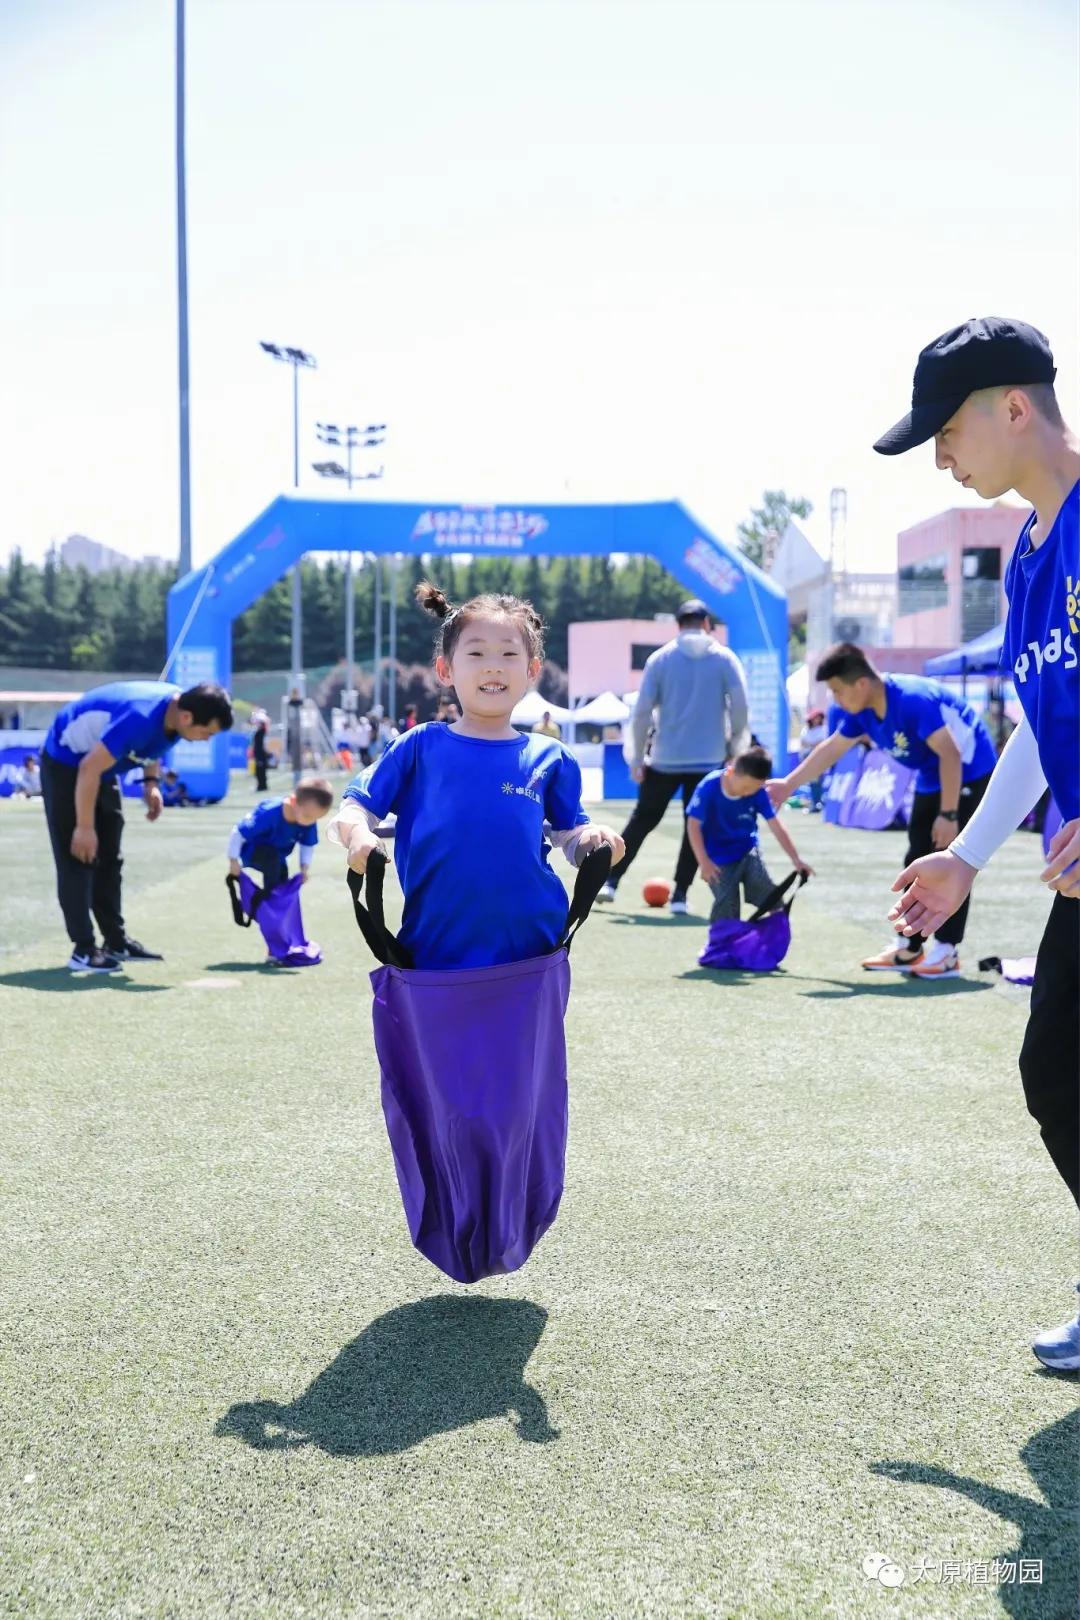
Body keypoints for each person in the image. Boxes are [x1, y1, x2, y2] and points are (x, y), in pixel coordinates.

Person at [877, 316, 1078, 1368]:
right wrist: (968, 857)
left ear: (1014, 406)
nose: (941, 457)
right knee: (1058, 1077)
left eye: (946, 431)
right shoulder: (1031, 559)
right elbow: (1043, 734)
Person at [327, 582, 625, 969]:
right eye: (476, 652)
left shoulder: (551, 756)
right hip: (433, 953)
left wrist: (594, 843)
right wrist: (358, 835)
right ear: (445, 669)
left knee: (526, 1034)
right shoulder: (419, 746)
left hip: (535, 954)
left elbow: (570, 834)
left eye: (508, 654)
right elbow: (355, 810)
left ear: (532, 670)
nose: (493, 665)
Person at [768, 643, 996, 978]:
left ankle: (947, 952)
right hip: (933, 775)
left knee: (952, 859)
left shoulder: (912, 699)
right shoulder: (861, 711)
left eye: (836, 691)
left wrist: (948, 815)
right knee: (916, 858)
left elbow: (951, 753)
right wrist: (788, 784)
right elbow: (832, 748)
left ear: (860, 684)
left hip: (969, 772)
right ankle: (909, 948)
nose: (835, 699)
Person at [40, 679, 233, 972]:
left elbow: (155, 743)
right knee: (79, 856)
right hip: (69, 763)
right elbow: (88, 767)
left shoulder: (179, 712)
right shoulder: (139, 718)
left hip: (100, 768)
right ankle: (83, 950)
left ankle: (115, 943)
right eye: (206, 732)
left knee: (110, 859)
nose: (207, 739)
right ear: (186, 717)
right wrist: (84, 826)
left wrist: (150, 783)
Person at [598, 599, 750, 914]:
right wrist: (734, 750)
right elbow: (740, 708)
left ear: (678, 625)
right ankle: (680, 894)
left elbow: (641, 713)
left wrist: (637, 757)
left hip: (665, 757)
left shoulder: (661, 659)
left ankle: (611, 881)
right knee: (696, 825)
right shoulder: (724, 659)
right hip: (709, 758)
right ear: (707, 624)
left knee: (642, 821)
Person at [686, 746, 812, 922]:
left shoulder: (758, 793)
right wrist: (704, 862)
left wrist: (796, 859)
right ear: (730, 771)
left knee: (768, 893)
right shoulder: (709, 787)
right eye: (745, 787)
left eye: (753, 789)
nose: (748, 793)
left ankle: (775, 932)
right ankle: (723, 944)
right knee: (727, 904)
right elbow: (693, 826)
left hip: (747, 850)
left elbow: (775, 825)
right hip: (716, 857)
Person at [228, 776, 335, 894]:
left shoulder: (308, 819)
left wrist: (304, 869)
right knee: (272, 861)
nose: (312, 822)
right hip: (251, 851)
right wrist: (233, 861)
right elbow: (238, 832)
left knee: (282, 875)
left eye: (317, 818)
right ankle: (269, 900)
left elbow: (307, 845)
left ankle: (276, 904)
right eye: (308, 817)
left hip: (278, 858)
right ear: (293, 801)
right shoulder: (269, 812)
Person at [799, 710, 828, 811]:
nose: (817, 720)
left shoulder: (823, 729)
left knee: (816, 782)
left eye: (819, 718)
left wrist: (812, 745)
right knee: (812, 782)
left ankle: (817, 802)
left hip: (818, 757)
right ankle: (815, 802)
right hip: (807, 757)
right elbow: (803, 743)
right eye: (816, 717)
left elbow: (820, 743)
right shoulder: (806, 730)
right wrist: (813, 745)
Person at [251, 714, 272, 792]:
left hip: (261, 755)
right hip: (259, 754)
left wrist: (263, 755)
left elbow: (262, 745)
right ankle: (261, 785)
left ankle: (262, 786)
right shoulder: (259, 732)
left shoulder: (262, 733)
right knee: (259, 771)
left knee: (261, 771)